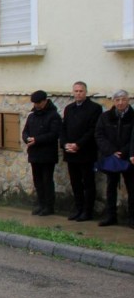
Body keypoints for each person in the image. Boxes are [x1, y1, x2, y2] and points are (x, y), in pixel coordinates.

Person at [60, 81, 103, 221]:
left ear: (86, 92)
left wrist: (78, 144)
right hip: (71, 152)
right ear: (73, 92)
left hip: (86, 152)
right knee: (75, 182)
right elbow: (63, 128)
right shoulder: (69, 108)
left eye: (81, 91)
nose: (78, 93)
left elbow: (93, 130)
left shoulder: (94, 108)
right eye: (76, 91)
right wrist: (65, 144)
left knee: (88, 183)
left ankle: (87, 211)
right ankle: (78, 208)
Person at [95, 89, 134, 228]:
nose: (120, 102)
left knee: (132, 188)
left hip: (127, 157)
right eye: (117, 100)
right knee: (111, 187)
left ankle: (132, 218)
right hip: (111, 157)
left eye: (123, 99)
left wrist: (124, 152)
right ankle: (111, 216)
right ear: (114, 101)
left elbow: (132, 139)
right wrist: (111, 151)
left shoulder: (132, 116)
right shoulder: (105, 117)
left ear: (128, 100)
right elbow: (99, 135)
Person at [22, 90, 62, 216]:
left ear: (45, 101)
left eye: (39, 102)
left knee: (47, 180)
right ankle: (41, 203)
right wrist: (26, 138)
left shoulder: (53, 115)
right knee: (37, 181)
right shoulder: (32, 115)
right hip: (34, 153)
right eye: (35, 103)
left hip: (47, 154)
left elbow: (54, 134)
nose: (37, 105)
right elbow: (25, 131)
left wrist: (37, 140)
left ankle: (49, 206)